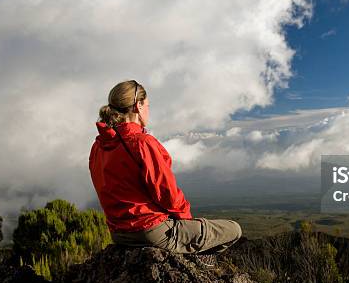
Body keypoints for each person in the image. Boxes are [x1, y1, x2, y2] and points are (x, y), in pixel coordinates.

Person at [89, 80, 242, 264]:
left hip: (119, 234)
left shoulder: (98, 146)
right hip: (150, 232)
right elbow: (166, 193)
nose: (148, 110)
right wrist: (186, 221)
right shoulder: (142, 142)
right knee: (234, 230)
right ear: (138, 106)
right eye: (147, 105)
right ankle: (198, 262)